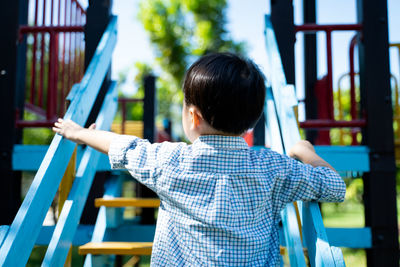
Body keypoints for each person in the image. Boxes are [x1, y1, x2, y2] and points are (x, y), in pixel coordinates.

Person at [53, 53, 346, 266]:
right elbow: (335, 187)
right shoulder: (272, 167)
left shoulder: (169, 161)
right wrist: (304, 151)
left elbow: (122, 146)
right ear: (252, 120)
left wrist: (79, 133)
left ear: (192, 116)